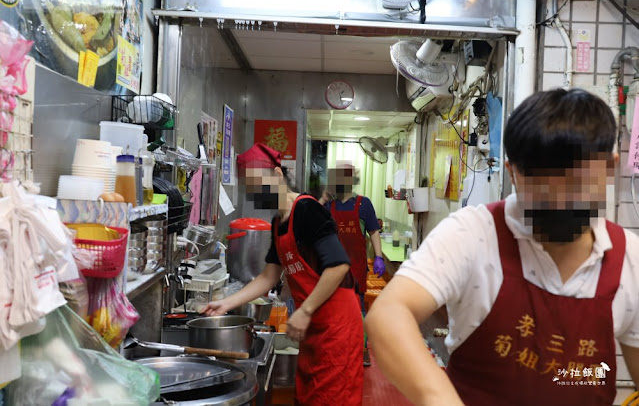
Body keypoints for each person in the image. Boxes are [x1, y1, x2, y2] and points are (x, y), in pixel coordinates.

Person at [365, 88, 639, 405]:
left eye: (577, 184)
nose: (561, 202)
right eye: (543, 191)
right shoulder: (472, 235)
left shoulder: (629, 259)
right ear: (513, 173)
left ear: (609, 167)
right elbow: (388, 315)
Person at [201, 143, 363, 405]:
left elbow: (338, 265)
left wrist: (306, 310)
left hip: (336, 326)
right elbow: (268, 277)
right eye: (250, 187)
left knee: (333, 398)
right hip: (312, 327)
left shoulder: (307, 210)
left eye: (257, 184)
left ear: (277, 175)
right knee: (308, 396)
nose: (255, 192)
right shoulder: (278, 222)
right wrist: (226, 303)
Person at [319, 162, 385, 367]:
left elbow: (373, 231)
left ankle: (362, 347)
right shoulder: (328, 206)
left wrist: (379, 256)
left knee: (358, 310)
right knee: (332, 309)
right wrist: (323, 198)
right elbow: (309, 219)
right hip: (330, 267)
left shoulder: (364, 204)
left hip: (355, 267)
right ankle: (335, 348)